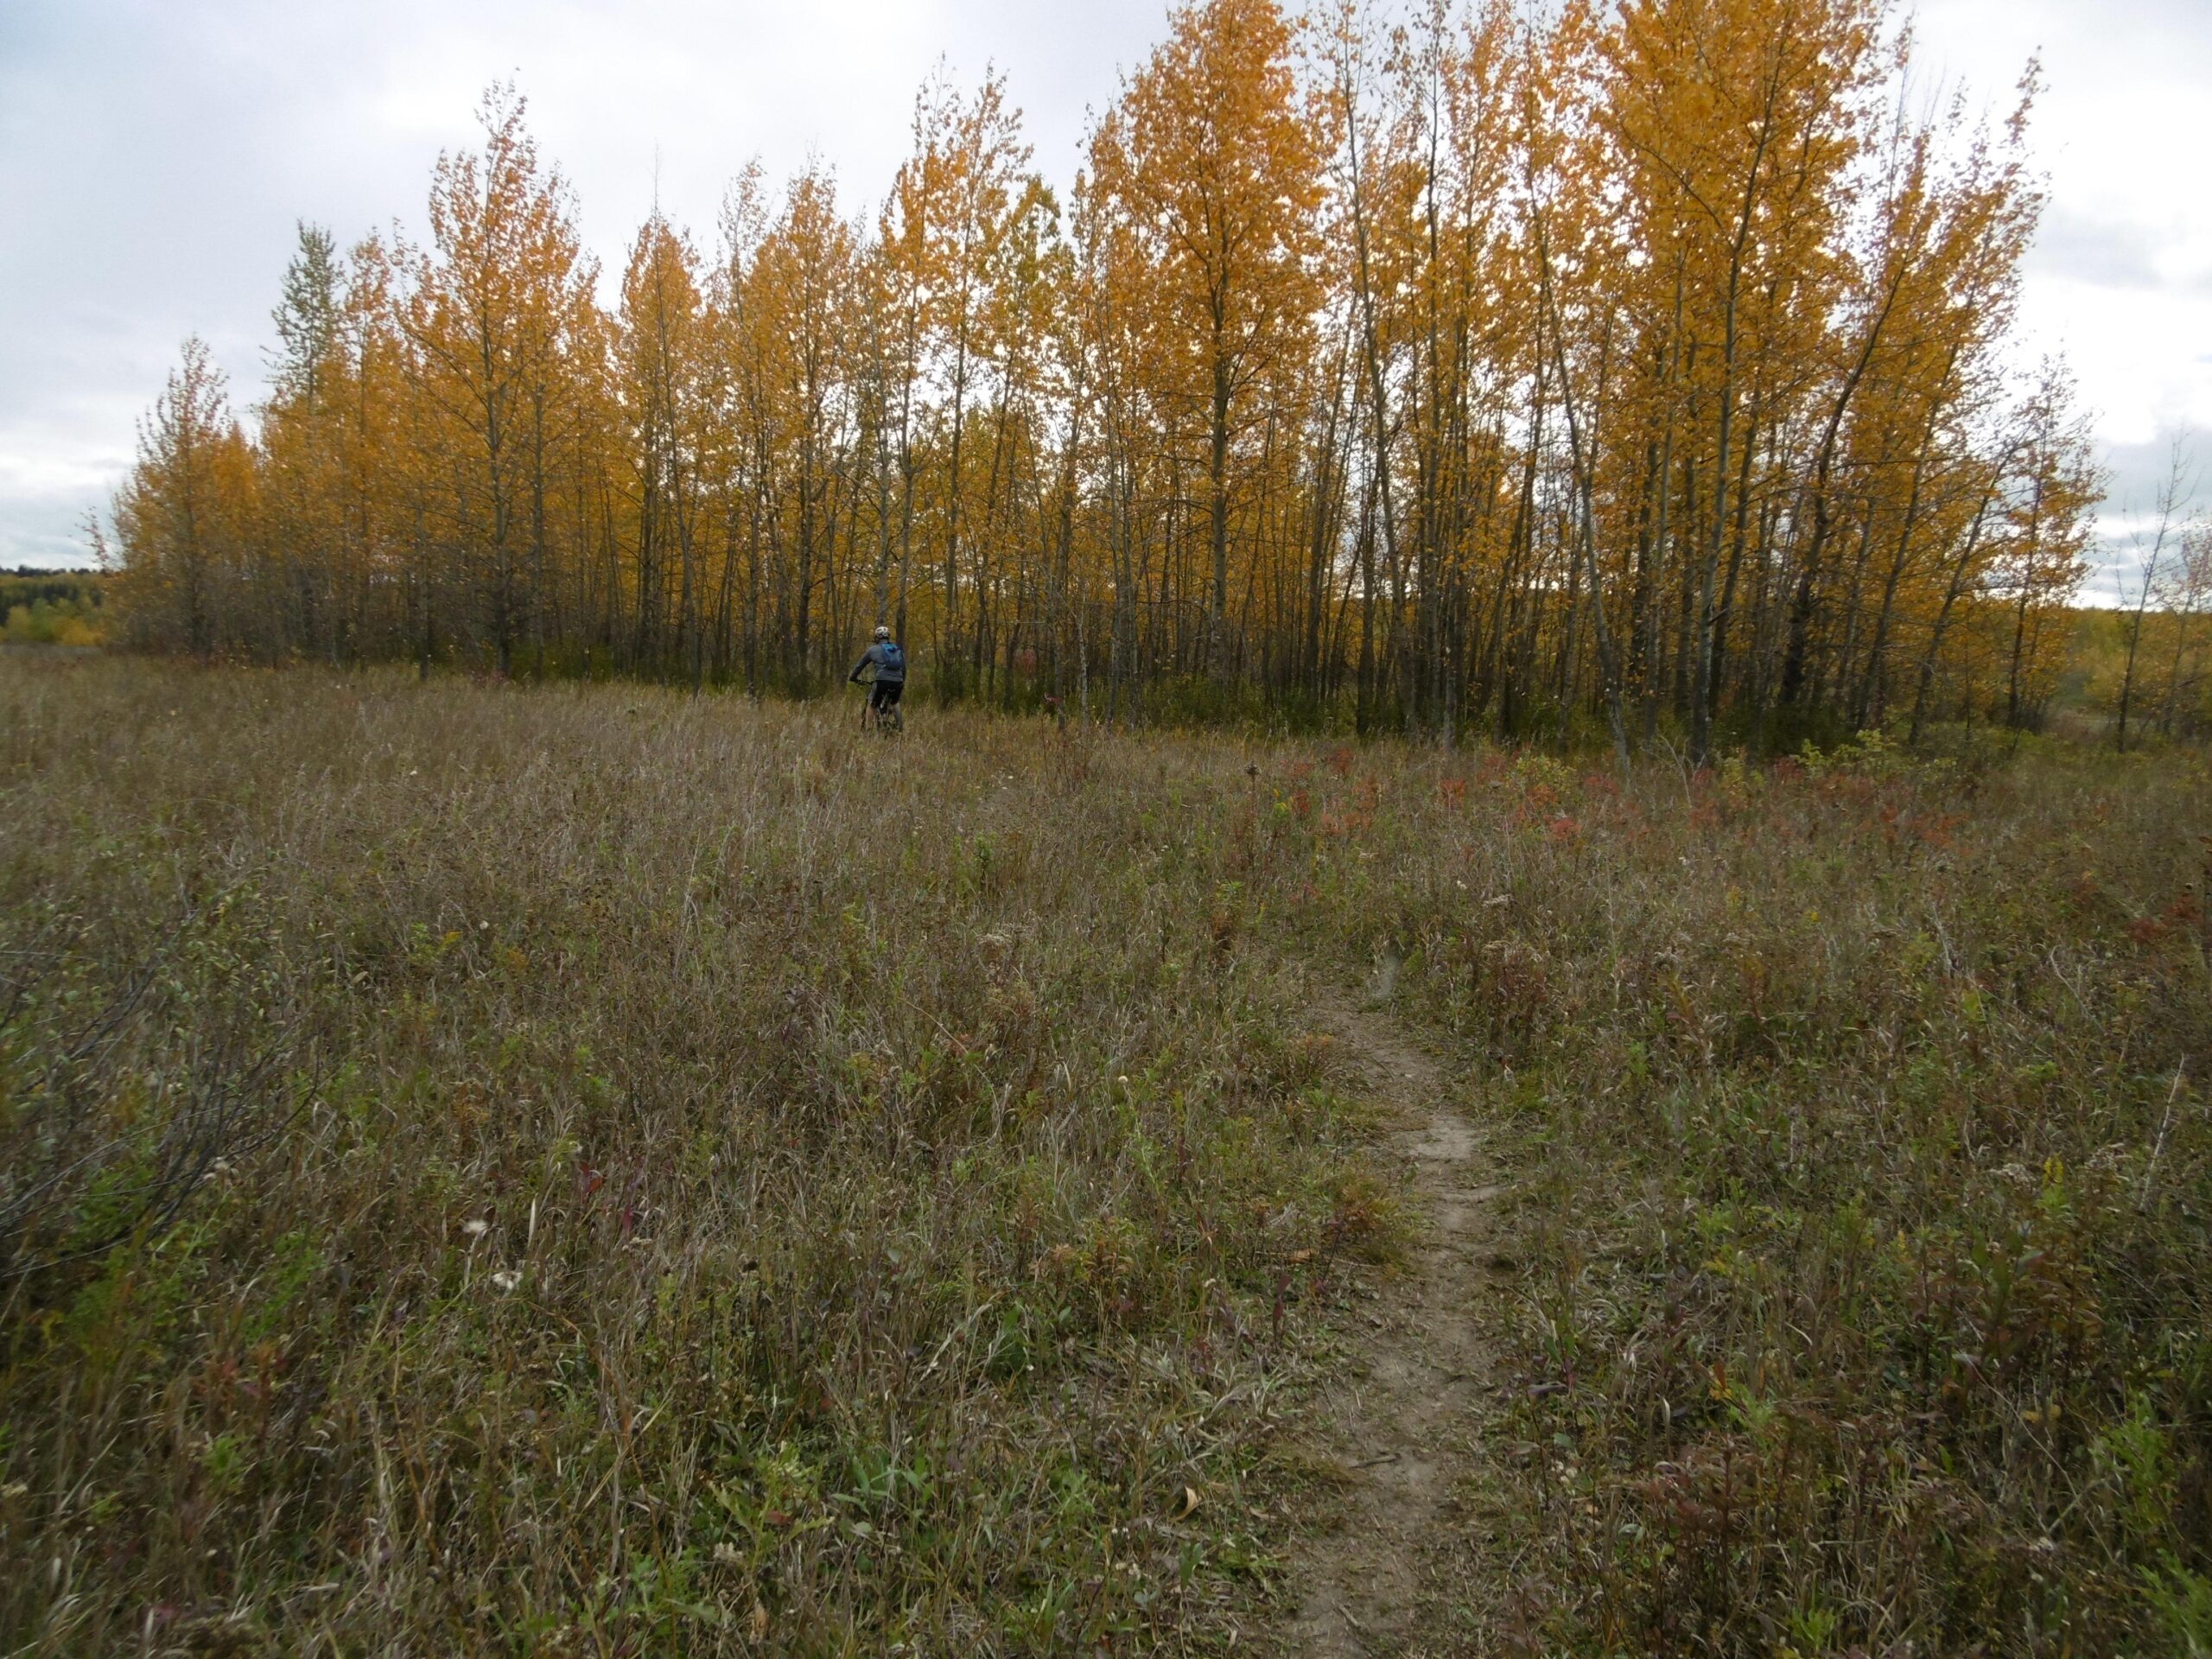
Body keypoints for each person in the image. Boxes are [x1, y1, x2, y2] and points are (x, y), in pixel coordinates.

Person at [849, 624, 906, 721]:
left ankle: (868, 730)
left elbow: (860, 665)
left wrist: (853, 677)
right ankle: (894, 719)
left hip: (882, 681)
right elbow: (904, 668)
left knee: (872, 704)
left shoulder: (873, 650)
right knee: (894, 702)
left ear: (877, 637)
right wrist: (901, 680)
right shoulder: (897, 649)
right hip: (898, 681)